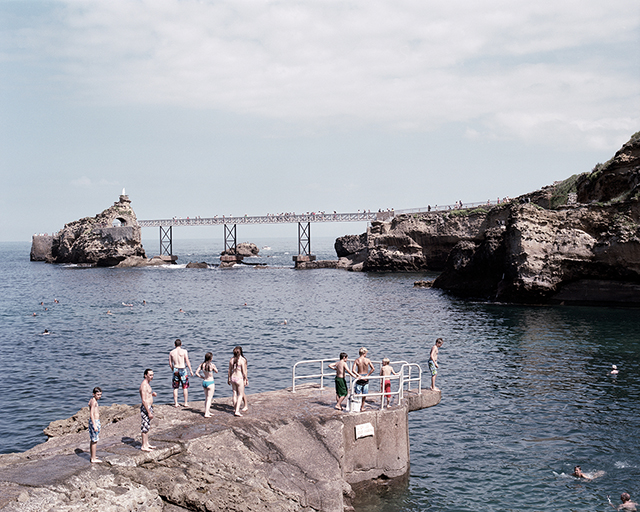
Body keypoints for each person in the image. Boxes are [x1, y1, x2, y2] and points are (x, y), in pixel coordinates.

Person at [169, 339, 193, 408]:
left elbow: (170, 363)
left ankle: (176, 403)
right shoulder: (184, 351)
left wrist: (173, 369)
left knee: (175, 387)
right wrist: (190, 370)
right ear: (181, 344)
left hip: (176, 369)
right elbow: (187, 361)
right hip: (183, 369)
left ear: (174, 345)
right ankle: (185, 403)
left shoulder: (171, 352)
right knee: (185, 387)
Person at [195, 352, 218, 418]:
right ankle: (206, 413)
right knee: (209, 398)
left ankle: (207, 411)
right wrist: (214, 368)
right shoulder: (212, 365)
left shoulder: (202, 365)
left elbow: (197, 373)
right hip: (210, 382)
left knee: (206, 398)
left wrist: (202, 377)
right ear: (211, 358)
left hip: (204, 382)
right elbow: (216, 371)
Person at [139, 369, 157, 451]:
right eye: (150, 375)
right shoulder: (144, 385)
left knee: (148, 426)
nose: (152, 377)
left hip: (149, 406)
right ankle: (143, 446)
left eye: (152, 375)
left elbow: (147, 395)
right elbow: (143, 400)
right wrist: (149, 412)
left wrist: (151, 394)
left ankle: (146, 443)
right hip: (146, 407)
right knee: (145, 426)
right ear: (145, 375)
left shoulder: (147, 384)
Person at [228, 346, 248, 417]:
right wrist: (246, 379)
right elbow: (244, 372)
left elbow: (229, 370)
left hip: (233, 378)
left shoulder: (231, 360)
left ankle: (235, 408)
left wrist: (228, 379)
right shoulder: (241, 361)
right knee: (240, 394)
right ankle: (237, 411)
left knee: (234, 393)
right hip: (239, 378)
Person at [88, 387, 102, 463]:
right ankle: (93, 458)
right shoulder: (93, 402)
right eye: (98, 395)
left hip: (94, 421)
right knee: (94, 440)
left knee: (93, 440)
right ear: (93, 394)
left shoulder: (92, 400)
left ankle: (92, 455)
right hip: (94, 421)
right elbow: (91, 414)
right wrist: (94, 425)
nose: (99, 396)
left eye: (100, 395)